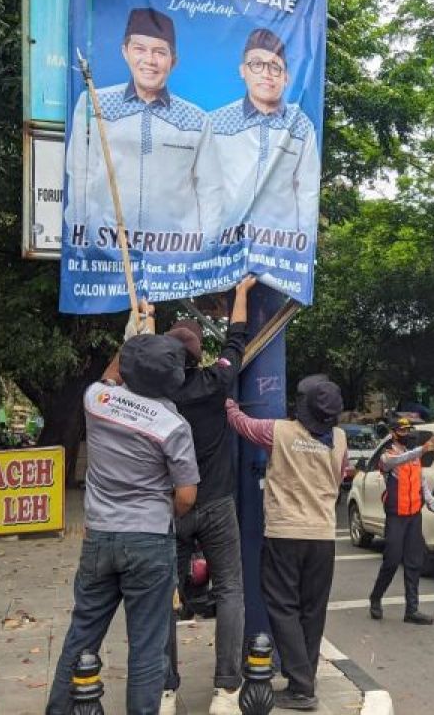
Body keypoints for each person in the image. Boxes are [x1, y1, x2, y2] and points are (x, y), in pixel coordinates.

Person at [46, 328, 200, 715]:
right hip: (149, 540)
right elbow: (186, 496)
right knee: (147, 646)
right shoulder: (173, 425)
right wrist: (161, 510)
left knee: (81, 635)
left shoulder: (97, 400)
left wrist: (134, 338)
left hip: (99, 537)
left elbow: (112, 372)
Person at [158, 277, 255, 715]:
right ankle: (226, 692)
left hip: (171, 506)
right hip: (217, 502)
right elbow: (237, 340)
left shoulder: (152, 396)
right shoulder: (216, 381)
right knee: (231, 589)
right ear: (199, 356)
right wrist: (240, 295)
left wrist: (141, 314)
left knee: (162, 594)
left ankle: (164, 689)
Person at [224, 375, 350, 711]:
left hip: (284, 533)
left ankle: (302, 686)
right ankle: (303, 681)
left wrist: (228, 399)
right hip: (323, 536)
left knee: (282, 607)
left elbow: (240, 423)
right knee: (312, 611)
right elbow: (340, 477)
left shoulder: (277, 431)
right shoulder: (339, 439)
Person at [64, 7, 215, 240]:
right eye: (140, 49)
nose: (150, 60)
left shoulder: (197, 120)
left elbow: (210, 191)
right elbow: (79, 175)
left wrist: (204, 247)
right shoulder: (94, 104)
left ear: (173, 61)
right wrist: (85, 238)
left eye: (160, 52)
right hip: (107, 252)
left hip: (174, 257)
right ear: (125, 52)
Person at [206, 29, 319, 237]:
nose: (266, 74)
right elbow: (203, 188)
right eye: (257, 64)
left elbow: (308, 194)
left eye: (275, 67)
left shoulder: (300, 125)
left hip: (280, 251)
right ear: (243, 70)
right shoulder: (215, 123)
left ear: (286, 77)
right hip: (226, 250)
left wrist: (304, 249)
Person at [368, 418, 434, 625]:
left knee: (414, 563)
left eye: (409, 429)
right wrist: (422, 449)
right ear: (393, 433)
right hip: (396, 517)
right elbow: (399, 460)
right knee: (392, 560)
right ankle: (376, 597)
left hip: (414, 517)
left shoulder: (413, 457)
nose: (407, 432)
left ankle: (412, 609)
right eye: (403, 429)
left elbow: (423, 486)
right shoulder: (388, 456)